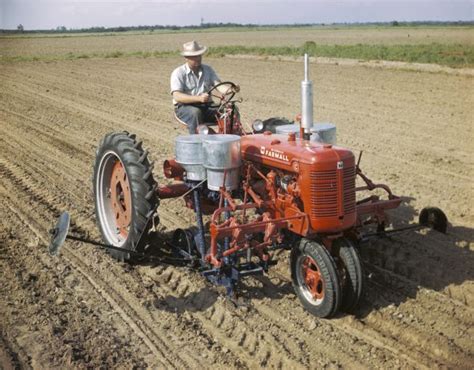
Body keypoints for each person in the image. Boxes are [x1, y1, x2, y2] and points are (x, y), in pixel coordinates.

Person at [170, 40, 224, 134]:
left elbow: (219, 85)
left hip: (206, 107)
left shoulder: (208, 70)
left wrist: (230, 89)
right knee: (195, 112)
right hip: (185, 108)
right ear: (186, 57)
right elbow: (177, 96)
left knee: (229, 111)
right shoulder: (178, 73)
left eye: (199, 55)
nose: (198, 58)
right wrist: (198, 98)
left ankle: (231, 138)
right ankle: (196, 142)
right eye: (194, 56)